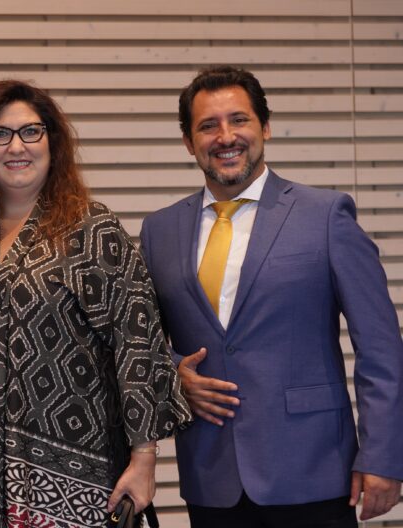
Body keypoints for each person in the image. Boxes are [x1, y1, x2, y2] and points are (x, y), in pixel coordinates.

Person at [140, 65, 403, 527]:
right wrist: (174, 375)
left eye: (239, 120)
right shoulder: (159, 230)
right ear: (188, 141)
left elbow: (380, 347)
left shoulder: (326, 216)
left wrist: (383, 454)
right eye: (208, 126)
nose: (226, 136)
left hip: (313, 470)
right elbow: (140, 344)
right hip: (211, 475)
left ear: (264, 126)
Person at [0, 79, 192, 527]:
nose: (16, 146)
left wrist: (145, 458)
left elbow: (137, 344)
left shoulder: (91, 229)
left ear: (51, 141)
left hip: (77, 474)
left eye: (30, 131)